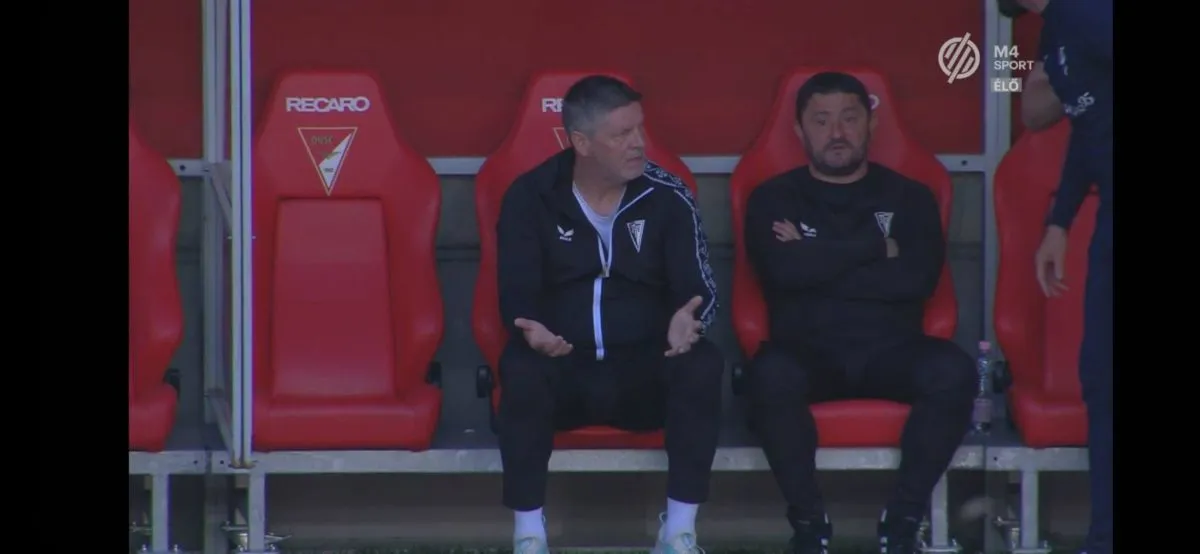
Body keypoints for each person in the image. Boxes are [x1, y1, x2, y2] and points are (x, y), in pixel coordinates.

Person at [742, 72, 975, 554]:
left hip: (893, 350)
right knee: (765, 376)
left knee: (954, 371)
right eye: (821, 121)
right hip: (807, 352)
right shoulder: (773, 198)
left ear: (871, 124)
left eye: (849, 118)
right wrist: (876, 247)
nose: (837, 132)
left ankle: (903, 520)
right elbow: (781, 274)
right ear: (799, 130)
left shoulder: (911, 197)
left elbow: (916, 281)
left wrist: (813, 256)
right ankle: (809, 525)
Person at [494, 75, 724, 554]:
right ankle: (529, 535)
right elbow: (516, 292)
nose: (639, 143)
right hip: (564, 371)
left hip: (645, 375)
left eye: (640, 129)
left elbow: (699, 289)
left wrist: (691, 319)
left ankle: (679, 533)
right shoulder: (530, 196)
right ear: (582, 143)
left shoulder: (669, 195)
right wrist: (532, 329)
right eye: (622, 134)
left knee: (702, 363)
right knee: (520, 366)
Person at [1004, 2, 1113, 553]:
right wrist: (1059, 221)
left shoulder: (1091, 12)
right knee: (1101, 377)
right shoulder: (1057, 30)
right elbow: (1086, 127)